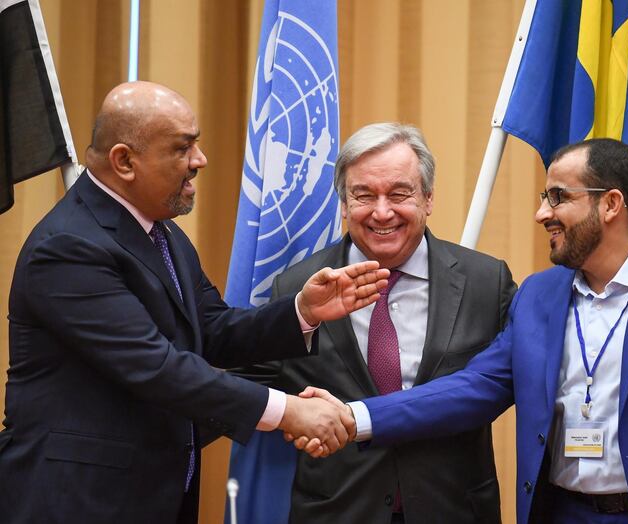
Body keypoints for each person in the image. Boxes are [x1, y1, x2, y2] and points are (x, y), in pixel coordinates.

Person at [298, 138, 628, 523]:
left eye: (558, 197)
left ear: (611, 204)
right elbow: (475, 388)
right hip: (560, 512)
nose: (541, 213)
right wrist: (354, 416)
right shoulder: (538, 295)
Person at [0, 81, 388, 524]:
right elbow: (157, 366)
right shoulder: (68, 247)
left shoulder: (162, 233)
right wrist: (288, 411)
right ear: (124, 161)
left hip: (153, 496)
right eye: (183, 148)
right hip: (75, 501)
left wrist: (302, 311)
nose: (199, 160)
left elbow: (213, 331)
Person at [234, 123, 516, 524]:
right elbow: (244, 384)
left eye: (399, 194)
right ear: (344, 205)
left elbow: (506, 383)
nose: (382, 212)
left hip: (453, 510)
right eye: (363, 195)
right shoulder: (298, 286)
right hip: (337, 511)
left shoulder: (486, 283)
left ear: (429, 198)